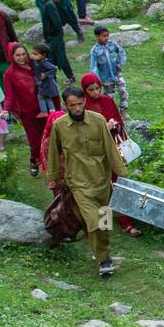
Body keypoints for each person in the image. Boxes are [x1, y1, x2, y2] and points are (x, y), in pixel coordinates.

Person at [45, 86, 128, 277]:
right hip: (78, 184)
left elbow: (110, 147)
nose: (76, 108)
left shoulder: (98, 120)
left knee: (105, 221)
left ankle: (103, 250)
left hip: (101, 181)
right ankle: (104, 260)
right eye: (72, 105)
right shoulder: (60, 126)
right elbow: (53, 153)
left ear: (84, 102)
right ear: (65, 105)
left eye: (79, 104)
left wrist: (121, 173)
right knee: (95, 221)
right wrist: (54, 177)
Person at [82, 73, 142, 236]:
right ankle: (104, 225)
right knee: (101, 188)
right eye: (90, 89)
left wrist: (114, 127)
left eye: (97, 88)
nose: (95, 92)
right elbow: (84, 134)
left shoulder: (107, 101)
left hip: (113, 150)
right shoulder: (83, 106)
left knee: (118, 184)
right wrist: (104, 127)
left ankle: (126, 223)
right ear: (85, 90)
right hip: (95, 154)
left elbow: (118, 123)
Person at [2, 42, 47, 177]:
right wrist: (6, 110)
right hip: (27, 112)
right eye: (18, 55)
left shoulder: (36, 66)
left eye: (23, 54)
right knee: (34, 142)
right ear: (12, 56)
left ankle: (51, 167)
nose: (22, 58)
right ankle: (34, 161)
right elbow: (9, 96)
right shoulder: (9, 74)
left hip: (44, 108)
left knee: (48, 138)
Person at [33, 0, 74, 82]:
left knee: (57, 57)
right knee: (56, 57)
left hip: (55, 37)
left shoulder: (49, 5)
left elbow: (56, 22)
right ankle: (57, 77)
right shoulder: (46, 4)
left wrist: (52, 36)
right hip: (52, 36)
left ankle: (68, 76)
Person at [89, 25, 129, 113]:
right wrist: (95, 79)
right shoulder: (95, 51)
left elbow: (121, 52)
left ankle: (123, 112)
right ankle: (112, 114)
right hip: (106, 78)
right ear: (97, 36)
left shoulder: (112, 44)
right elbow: (93, 67)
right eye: (104, 36)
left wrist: (119, 64)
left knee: (123, 91)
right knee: (109, 98)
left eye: (107, 35)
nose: (106, 38)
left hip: (117, 74)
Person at [30, 42, 61, 117]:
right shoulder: (38, 61)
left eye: (35, 54)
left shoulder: (44, 63)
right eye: (32, 53)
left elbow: (54, 68)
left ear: (43, 55)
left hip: (46, 84)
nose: (33, 56)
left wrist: (46, 74)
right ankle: (52, 111)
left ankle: (44, 111)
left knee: (40, 96)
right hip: (45, 84)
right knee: (47, 97)